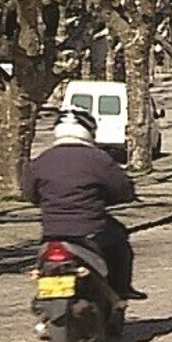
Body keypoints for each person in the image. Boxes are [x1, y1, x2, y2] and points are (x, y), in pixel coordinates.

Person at [21, 109, 147, 300]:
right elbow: (122, 189)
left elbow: (29, 194)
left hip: (52, 232)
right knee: (119, 239)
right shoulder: (99, 159)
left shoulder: (41, 161)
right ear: (89, 131)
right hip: (92, 231)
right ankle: (121, 288)